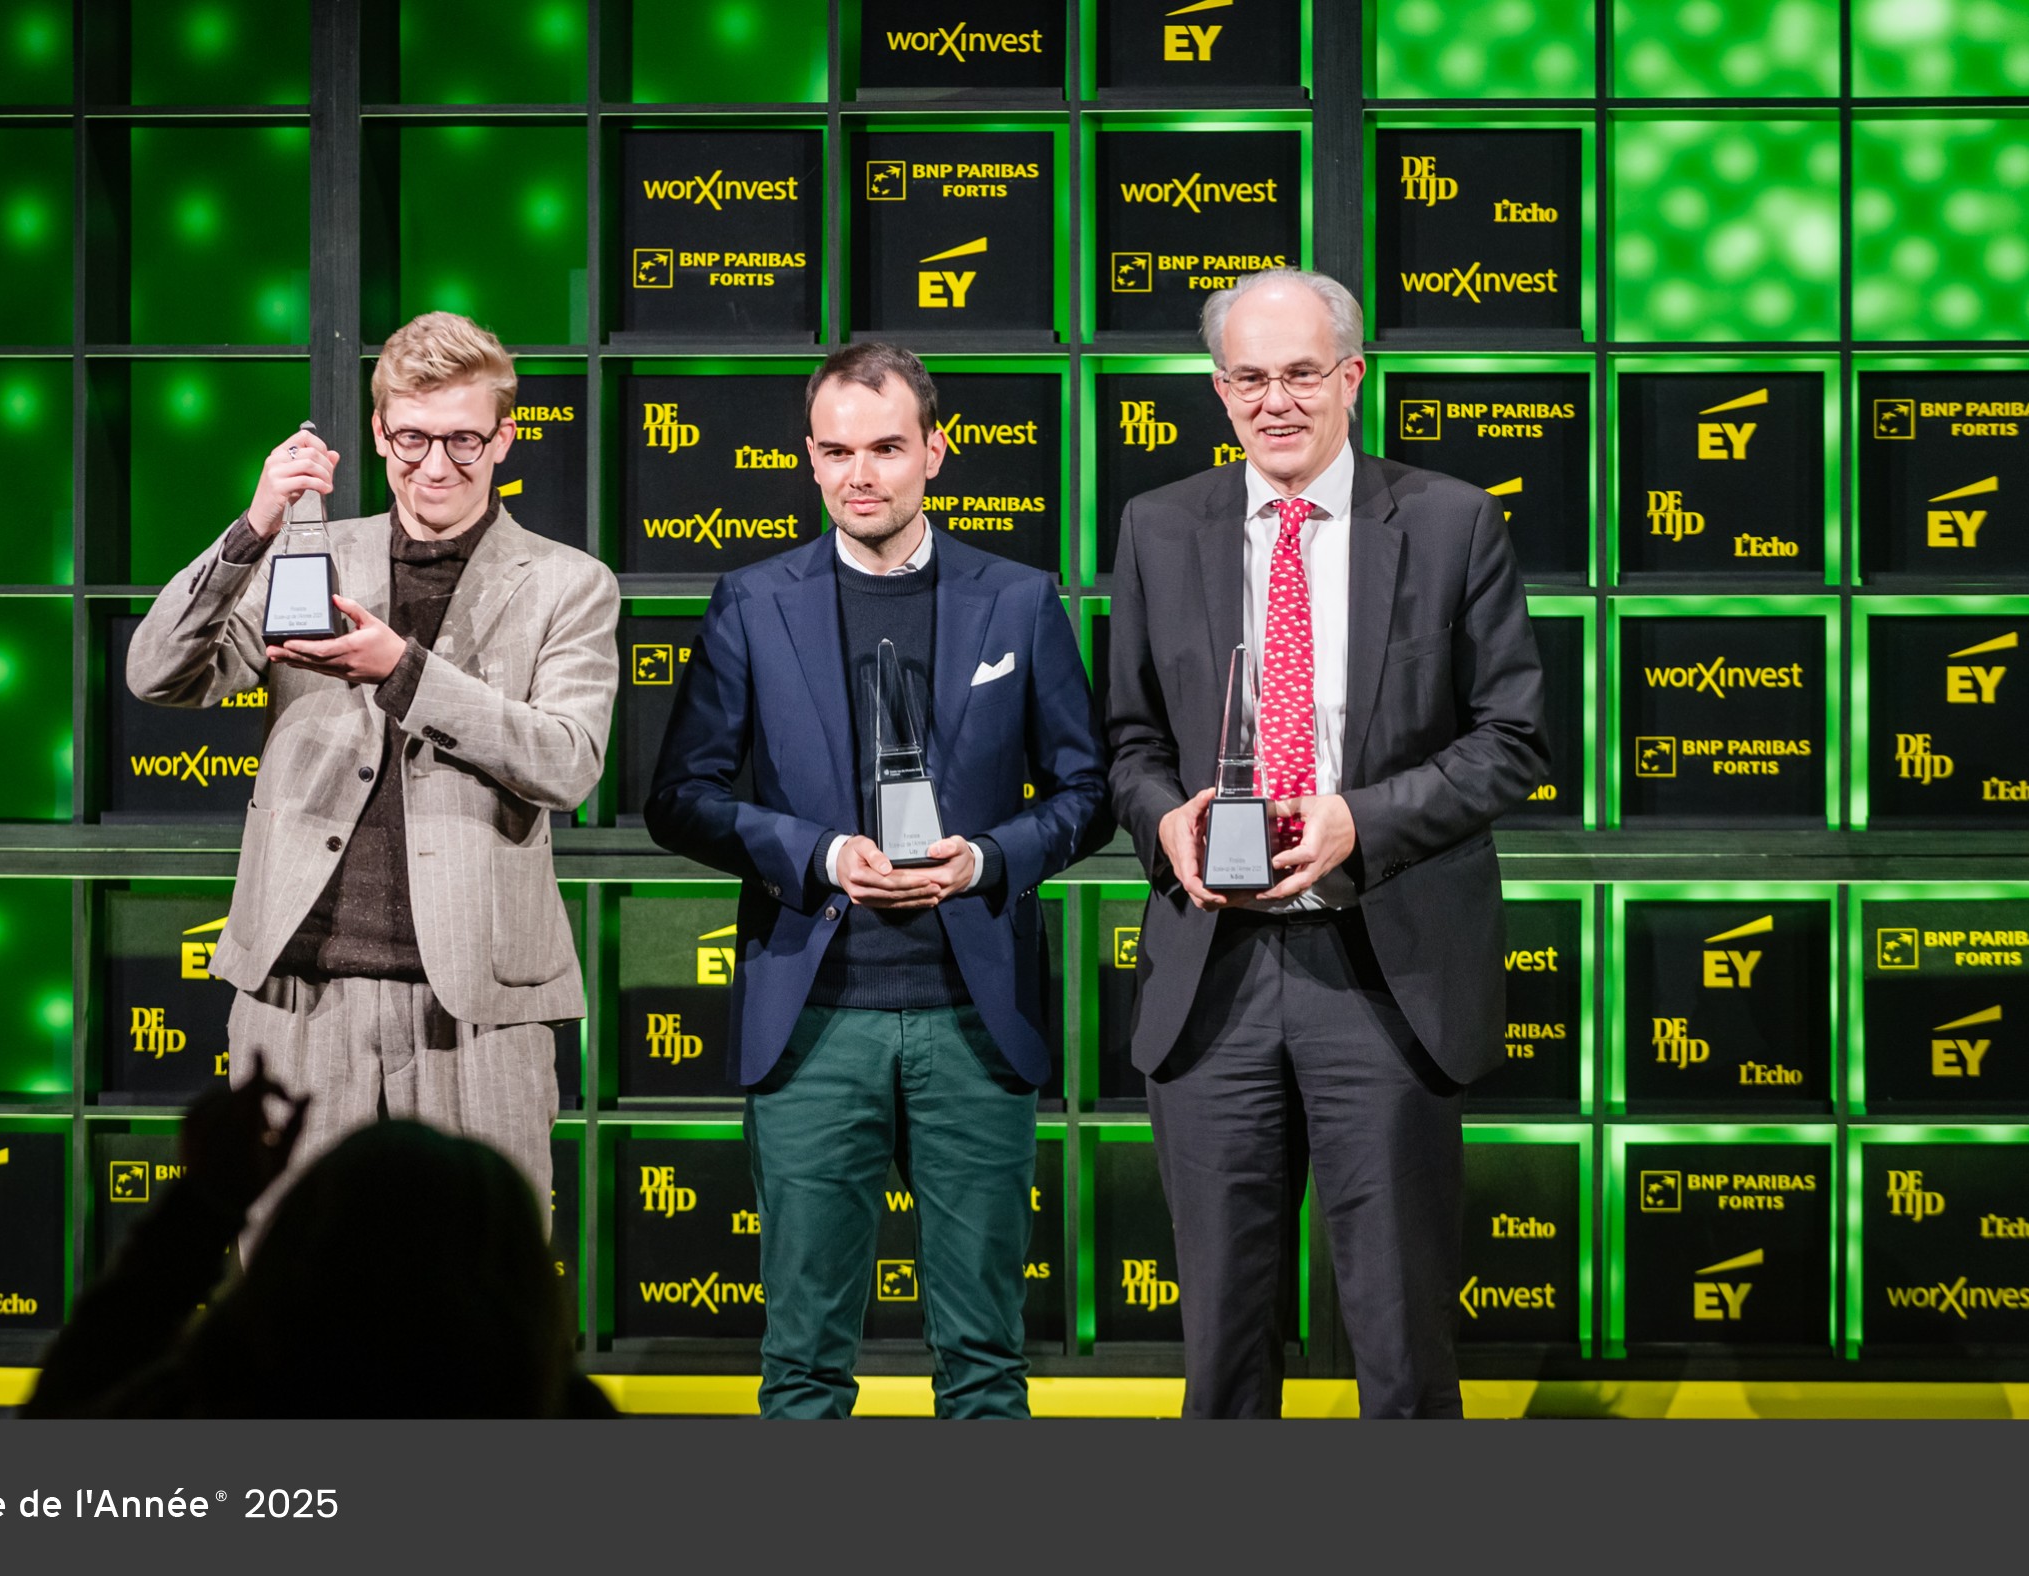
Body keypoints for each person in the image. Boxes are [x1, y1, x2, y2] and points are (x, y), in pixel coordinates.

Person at [1103, 268, 1548, 1418]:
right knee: (1222, 1353)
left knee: (1399, 1350)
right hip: (1213, 972)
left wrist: (1363, 819)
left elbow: (1511, 740)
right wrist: (1163, 818)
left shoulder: (1448, 521)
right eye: (1247, 377)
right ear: (1217, 390)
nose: (1275, 401)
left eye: (1300, 373)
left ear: (1352, 376)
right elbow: (1128, 740)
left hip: (1383, 967)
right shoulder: (1157, 527)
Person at [647, 343, 1108, 1419]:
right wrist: (817, 855)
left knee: (985, 1368)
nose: (861, 475)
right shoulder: (752, 601)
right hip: (814, 1020)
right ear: (810, 459)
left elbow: (1086, 793)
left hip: (974, 1018)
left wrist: (985, 858)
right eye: (837, 451)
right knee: (802, 1368)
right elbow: (680, 797)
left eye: (887, 448)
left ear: (934, 452)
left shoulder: (1018, 599)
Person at [128, 310, 617, 1237]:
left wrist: (404, 670)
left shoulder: (568, 583)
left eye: (464, 439)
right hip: (299, 993)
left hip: (477, 1004)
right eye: (413, 439)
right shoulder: (309, 553)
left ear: (504, 438)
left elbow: (566, 761)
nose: (437, 465)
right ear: (381, 433)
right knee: (291, 1292)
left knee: (482, 1289)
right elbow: (159, 674)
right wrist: (254, 526)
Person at [21, 1057, 610, 1418]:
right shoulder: (565, 1419)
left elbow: (67, 1412)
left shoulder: (214, 1406)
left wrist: (206, 1203)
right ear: (521, 1274)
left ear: (296, 1251)